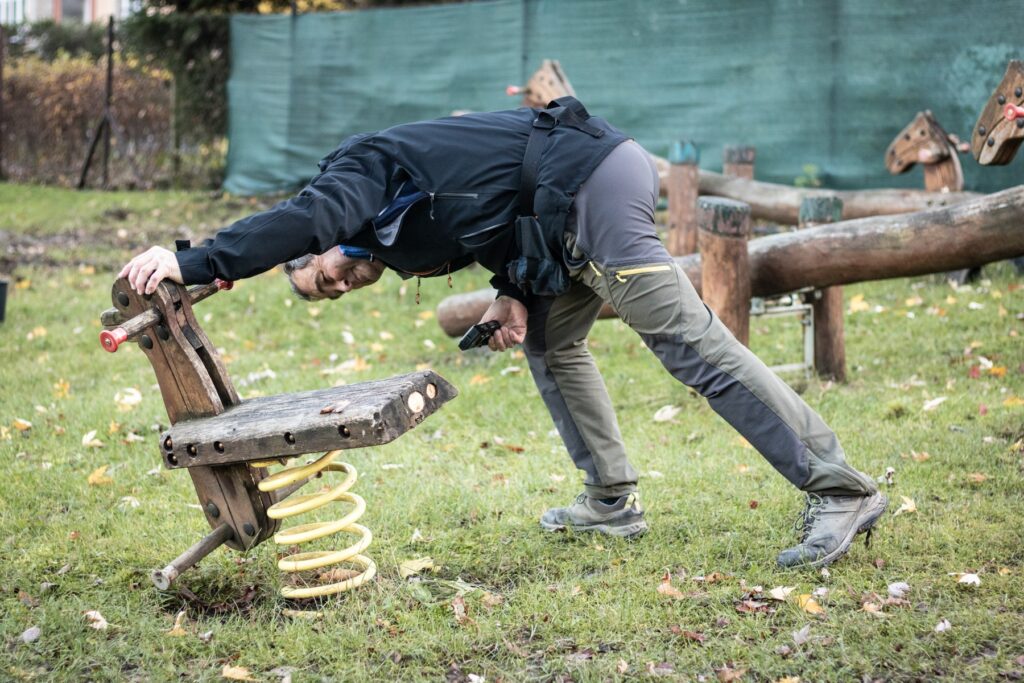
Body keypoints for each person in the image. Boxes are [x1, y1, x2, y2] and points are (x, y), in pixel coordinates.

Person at [120, 97, 886, 569]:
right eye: (330, 294)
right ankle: (611, 499)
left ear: (320, 246)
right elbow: (495, 209)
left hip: (593, 185)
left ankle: (839, 487)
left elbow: (305, 217)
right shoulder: (392, 234)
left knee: (690, 344)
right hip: (565, 201)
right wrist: (514, 294)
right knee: (552, 342)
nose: (338, 284)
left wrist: (194, 261)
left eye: (322, 276)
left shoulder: (355, 175)